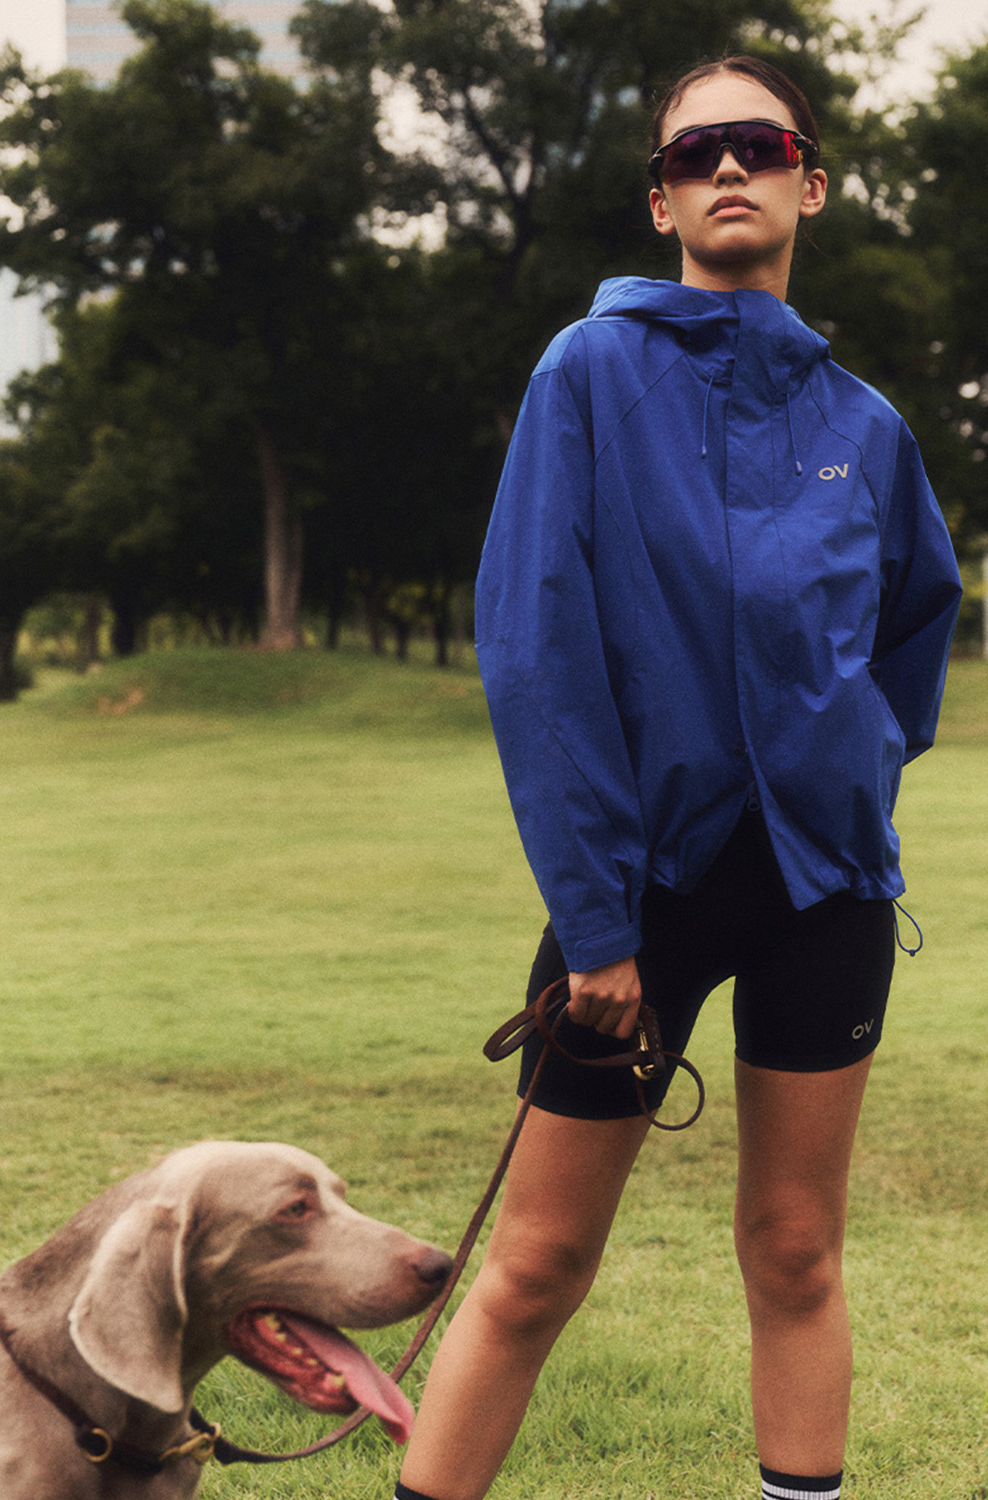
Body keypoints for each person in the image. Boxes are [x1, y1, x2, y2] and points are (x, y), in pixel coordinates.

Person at [394, 55, 962, 1500]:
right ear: (661, 203)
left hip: (828, 890)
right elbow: (536, 653)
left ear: (809, 183)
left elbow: (914, 628)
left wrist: (846, 772)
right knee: (535, 1263)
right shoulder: (587, 375)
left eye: (758, 144)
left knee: (797, 1249)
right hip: (638, 898)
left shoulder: (869, 429)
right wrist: (596, 927)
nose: (726, 167)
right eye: (692, 153)